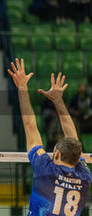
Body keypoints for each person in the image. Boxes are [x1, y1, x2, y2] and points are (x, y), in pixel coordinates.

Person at [8, 59, 92, 215]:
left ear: (58, 153)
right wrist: (58, 101)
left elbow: (29, 124)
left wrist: (22, 87)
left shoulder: (45, 170)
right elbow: (73, 139)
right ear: (77, 158)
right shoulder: (84, 177)